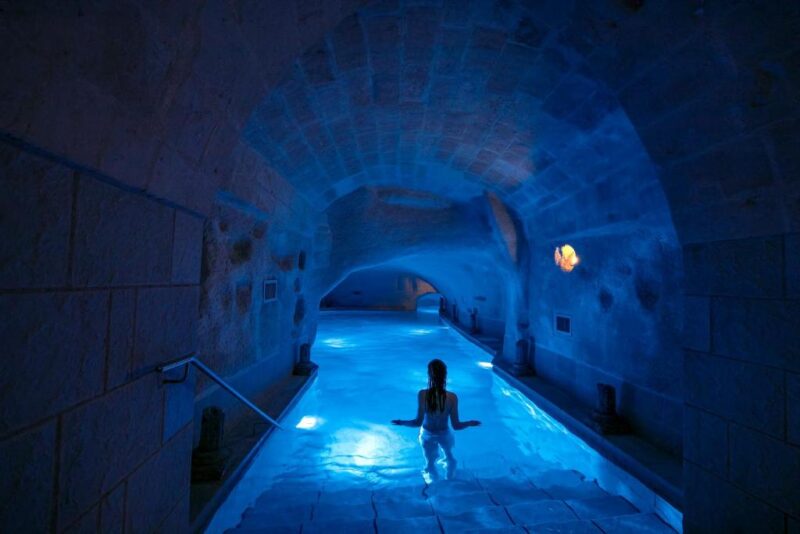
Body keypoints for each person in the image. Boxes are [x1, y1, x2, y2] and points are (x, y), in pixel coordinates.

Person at [391, 359, 481, 481]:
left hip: (427, 435)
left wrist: (402, 422)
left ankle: (433, 490)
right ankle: (450, 479)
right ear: (445, 376)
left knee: (430, 463)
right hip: (445, 434)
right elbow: (456, 426)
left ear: (429, 375)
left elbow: (417, 422)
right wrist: (470, 423)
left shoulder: (423, 394)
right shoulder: (452, 397)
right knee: (450, 457)